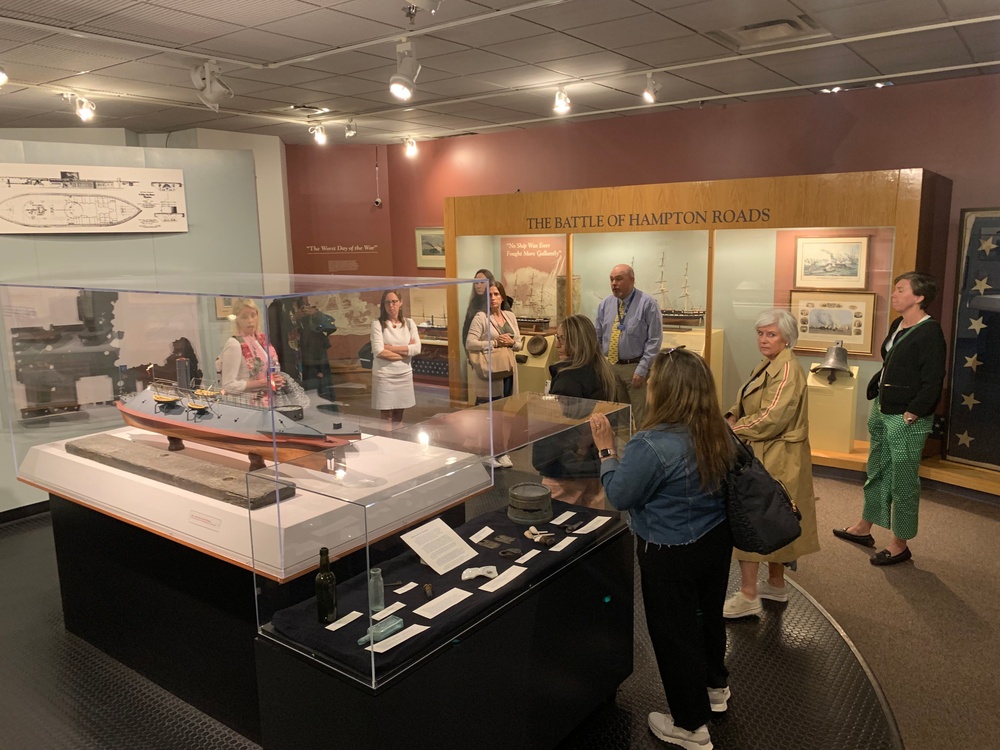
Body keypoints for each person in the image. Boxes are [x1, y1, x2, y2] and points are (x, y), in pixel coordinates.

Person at [590, 347, 734, 750]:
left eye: (652, 380)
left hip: (668, 550)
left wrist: (606, 451)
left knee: (675, 635)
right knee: (708, 619)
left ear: (665, 389)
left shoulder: (650, 444)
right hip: (715, 541)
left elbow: (620, 494)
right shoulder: (717, 429)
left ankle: (690, 727)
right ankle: (714, 689)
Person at [834, 272, 946, 566]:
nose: (894, 295)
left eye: (900, 290)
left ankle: (900, 543)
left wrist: (913, 412)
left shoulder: (930, 332)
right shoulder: (899, 324)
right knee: (877, 469)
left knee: (904, 482)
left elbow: (933, 381)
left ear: (919, 297)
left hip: (908, 417)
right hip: (883, 409)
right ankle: (864, 527)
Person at [722, 308, 820, 618]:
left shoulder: (788, 370)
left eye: (771, 334)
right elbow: (745, 400)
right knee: (775, 518)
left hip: (775, 455)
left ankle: (749, 593)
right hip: (767, 453)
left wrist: (731, 430)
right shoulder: (771, 363)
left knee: (753, 518)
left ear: (787, 338)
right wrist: (728, 417)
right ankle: (775, 584)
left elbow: (771, 418)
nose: (763, 340)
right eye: (761, 333)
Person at [531, 314, 616, 507]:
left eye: (561, 339)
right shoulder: (603, 372)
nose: (558, 344)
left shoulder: (568, 378)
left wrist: (577, 452)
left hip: (566, 468)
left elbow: (563, 426)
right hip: (595, 463)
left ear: (576, 342)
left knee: (556, 522)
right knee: (593, 523)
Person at [595, 263, 662, 427]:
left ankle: (643, 451)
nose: (614, 284)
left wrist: (642, 369)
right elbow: (598, 336)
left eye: (618, 279)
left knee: (642, 419)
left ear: (632, 280)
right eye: (611, 280)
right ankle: (622, 451)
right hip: (611, 369)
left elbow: (654, 340)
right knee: (618, 419)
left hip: (635, 370)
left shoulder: (648, 304)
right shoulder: (605, 305)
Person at [466, 280, 522, 467]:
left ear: (502, 296)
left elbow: (519, 344)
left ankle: (501, 451)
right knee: (488, 414)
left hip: (508, 370)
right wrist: (494, 343)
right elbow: (470, 343)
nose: (493, 298)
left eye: (496, 294)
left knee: (504, 414)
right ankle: (486, 452)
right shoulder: (480, 318)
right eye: (489, 295)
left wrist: (510, 343)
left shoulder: (509, 316)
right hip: (490, 373)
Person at [218, 298, 308, 407]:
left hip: (267, 402)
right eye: (244, 317)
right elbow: (228, 386)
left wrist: (276, 380)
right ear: (237, 319)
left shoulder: (261, 340)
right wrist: (263, 382)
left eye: (253, 315)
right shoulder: (234, 344)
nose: (250, 320)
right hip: (247, 405)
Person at [268, 297, 338, 406]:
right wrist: (293, 319)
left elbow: (329, 325)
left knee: (316, 396)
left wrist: (315, 314)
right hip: (289, 360)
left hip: (311, 359)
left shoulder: (304, 304)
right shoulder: (277, 307)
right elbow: (275, 334)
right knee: (295, 396)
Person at [370, 289, 421, 429]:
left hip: (404, 374)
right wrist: (406, 351)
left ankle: (398, 444)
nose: (391, 305)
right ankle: (386, 445)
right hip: (384, 376)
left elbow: (417, 349)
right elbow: (379, 351)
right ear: (383, 305)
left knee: (399, 415)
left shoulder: (409, 323)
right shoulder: (377, 324)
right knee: (386, 417)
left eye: (394, 301)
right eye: (387, 302)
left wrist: (391, 348)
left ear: (401, 303)